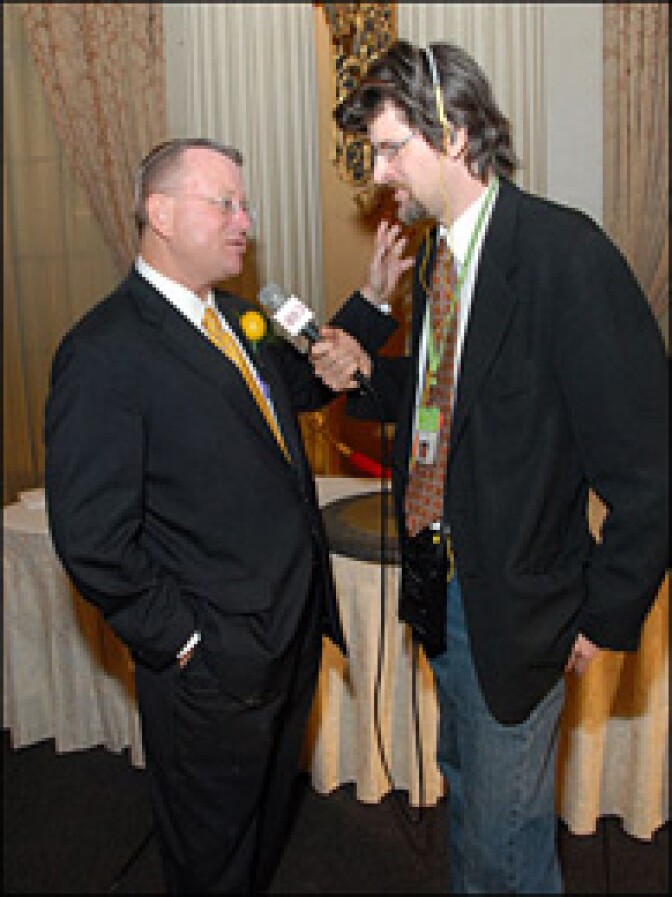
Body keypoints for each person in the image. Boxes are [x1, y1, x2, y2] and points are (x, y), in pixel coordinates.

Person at [310, 40, 669, 894]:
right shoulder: (442, 257)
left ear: (458, 132)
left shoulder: (565, 256)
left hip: (522, 607)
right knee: (469, 802)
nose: (382, 176)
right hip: (446, 592)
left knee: (507, 849)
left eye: (394, 148)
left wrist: (603, 613)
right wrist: (368, 373)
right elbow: (454, 401)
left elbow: (650, 468)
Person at [43, 137, 389, 894]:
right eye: (224, 202)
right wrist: (188, 643)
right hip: (214, 666)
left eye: (245, 203)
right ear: (160, 213)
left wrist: (370, 302)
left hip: (287, 643)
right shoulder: (104, 352)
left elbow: (305, 386)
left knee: (260, 837)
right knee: (212, 859)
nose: (246, 219)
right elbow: (93, 538)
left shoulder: (238, 318)